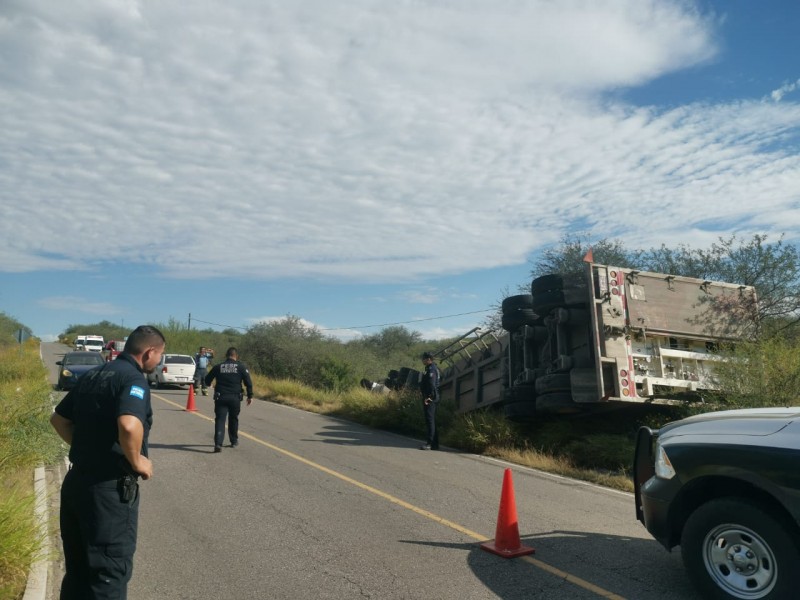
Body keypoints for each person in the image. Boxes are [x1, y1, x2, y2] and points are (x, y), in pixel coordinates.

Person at [50, 325, 166, 600]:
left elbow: (59, 419)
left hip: (77, 485)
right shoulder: (133, 380)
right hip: (108, 493)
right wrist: (137, 460)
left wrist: (86, 448)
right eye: (160, 355)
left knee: (78, 573)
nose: (159, 361)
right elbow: (128, 425)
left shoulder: (95, 374)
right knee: (107, 577)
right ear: (149, 352)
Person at [204, 347, 254, 452]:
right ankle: (234, 441)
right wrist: (250, 396)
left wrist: (210, 384)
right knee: (233, 419)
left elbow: (207, 380)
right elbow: (248, 382)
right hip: (235, 398)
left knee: (220, 420)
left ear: (226, 355)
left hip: (221, 397)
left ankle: (218, 444)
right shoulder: (241, 367)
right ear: (236, 356)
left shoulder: (218, 367)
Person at [419, 351, 441, 450]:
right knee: (431, 420)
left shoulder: (432, 369)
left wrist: (429, 397)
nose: (422, 360)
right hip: (430, 397)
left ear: (428, 359)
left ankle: (430, 444)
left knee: (430, 421)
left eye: (423, 358)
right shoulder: (429, 368)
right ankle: (434, 444)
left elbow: (432, 385)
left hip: (430, 398)